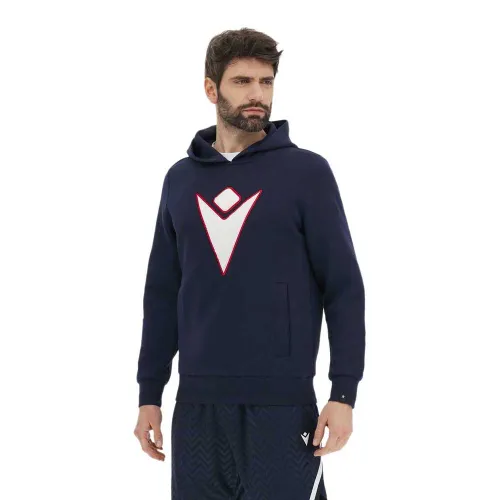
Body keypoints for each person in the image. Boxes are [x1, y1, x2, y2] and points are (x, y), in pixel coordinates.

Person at [134, 27, 365, 500]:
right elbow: (162, 294)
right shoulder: (180, 180)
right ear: (211, 88)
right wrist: (149, 393)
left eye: (266, 81)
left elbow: (343, 288)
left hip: (282, 406)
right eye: (242, 81)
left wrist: (343, 393)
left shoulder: (307, 173)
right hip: (196, 409)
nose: (257, 94)